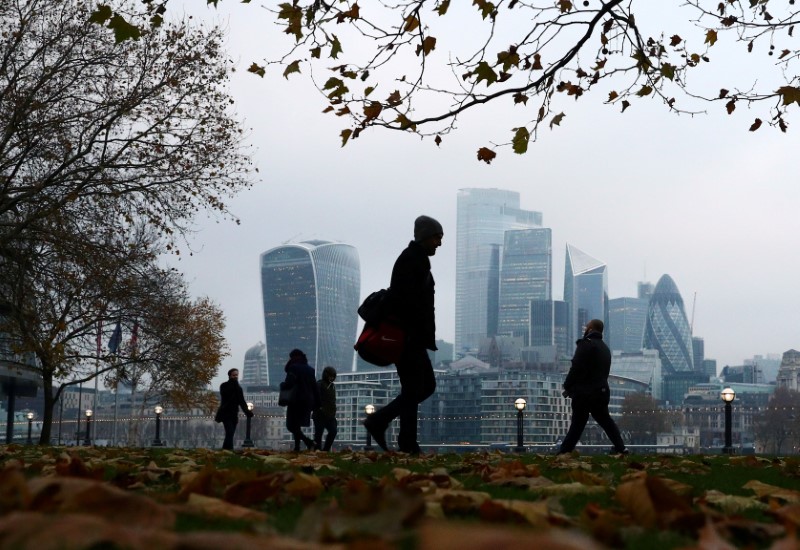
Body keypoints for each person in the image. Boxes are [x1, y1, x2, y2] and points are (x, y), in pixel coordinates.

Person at [362, 215, 442, 455]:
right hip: (408, 339)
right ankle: (383, 424)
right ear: (426, 236)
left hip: (412, 338)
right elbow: (406, 301)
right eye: (437, 237)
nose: (439, 243)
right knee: (422, 387)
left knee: (416, 388)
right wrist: (413, 334)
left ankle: (406, 441)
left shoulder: (416, 260)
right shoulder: (411, 260)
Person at [558, 319, 628, 455]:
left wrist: (567, 385)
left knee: (577, 424)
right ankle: (621, 448)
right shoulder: (605, 348)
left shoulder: (586, 344)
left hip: (585, 393)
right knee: (606, 421)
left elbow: (576, 367)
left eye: (587, 326)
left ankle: (563, 452)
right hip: (601, 392)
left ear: (590, 329)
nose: (585, 328)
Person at [283, 349, 321, 451]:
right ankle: (297, 447)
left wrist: (283, 385)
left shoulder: (293, 368)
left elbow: (289, 383)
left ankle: (308, 442)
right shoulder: (310, 369)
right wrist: (317, 403)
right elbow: (314, 387)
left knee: (291, 425)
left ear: (293, 357)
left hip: (296, 400)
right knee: (297, 425)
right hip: (308, 401)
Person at [218, 368, 253, 450]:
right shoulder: (224, 386)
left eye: (236, 375)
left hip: (234, 414)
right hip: (225, 413)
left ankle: (226, 450)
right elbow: (225, 396)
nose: (235, 377)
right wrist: (234, 389)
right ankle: (229, 450)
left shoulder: (239, 389)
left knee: (230, 433)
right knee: (229, 432)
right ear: (230, 376)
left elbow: (242, 402)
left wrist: (247, 412)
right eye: (234, 375)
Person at [312, 366, 338, 451]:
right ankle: (317, 451)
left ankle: (325, 450)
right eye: (331, 376)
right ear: (326, 375)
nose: (332, 378)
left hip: (330, 415)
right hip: (319, 415)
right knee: (318, 435)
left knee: (333, 431)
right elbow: (315, 397)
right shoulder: (319, 384)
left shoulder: (332, 386)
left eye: (333, 376)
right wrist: (320, 408)